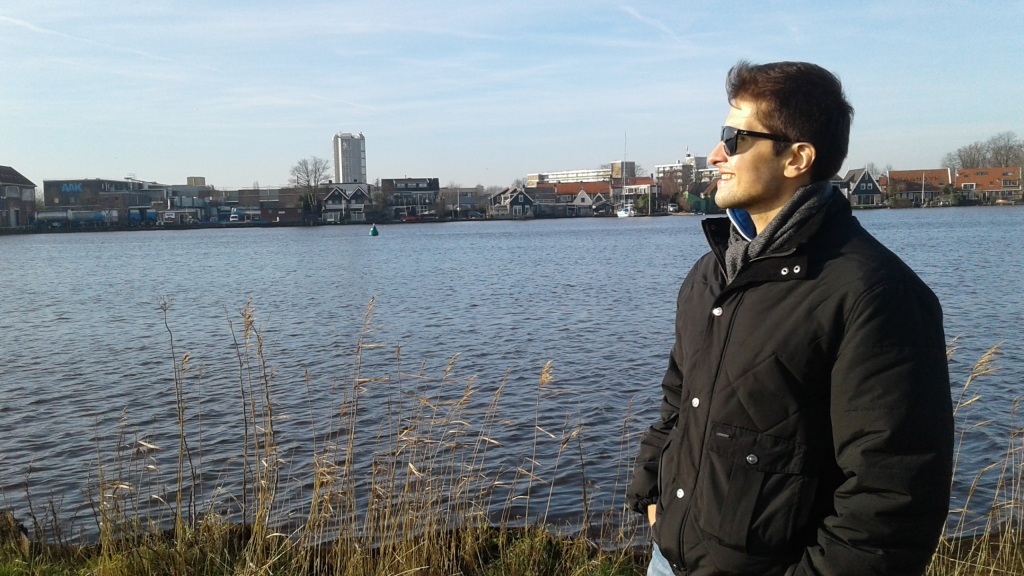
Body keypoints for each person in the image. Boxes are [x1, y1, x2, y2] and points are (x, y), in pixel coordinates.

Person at [626, 61, 953, 576]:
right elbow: (678, 400)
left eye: (734, 139)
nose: (715, 155)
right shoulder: (711, 274)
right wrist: (651, 493)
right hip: (669, 559)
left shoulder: (876, 294)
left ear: (797, 157)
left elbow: (892, 493)